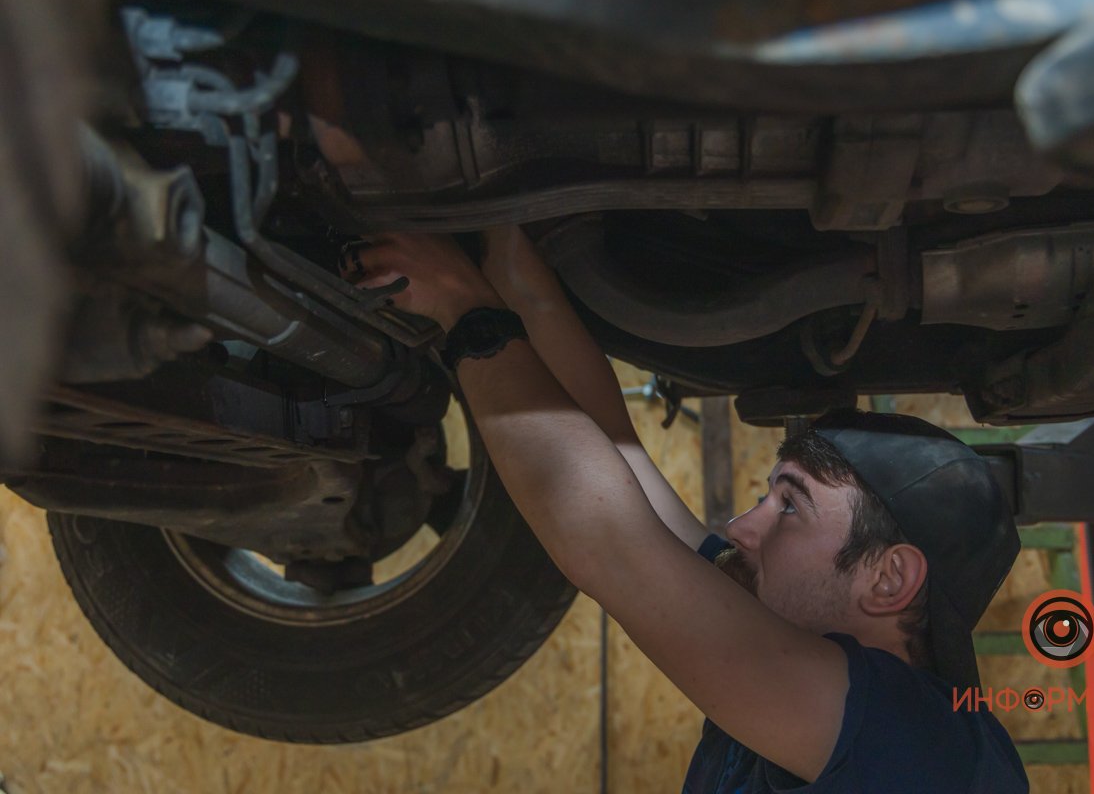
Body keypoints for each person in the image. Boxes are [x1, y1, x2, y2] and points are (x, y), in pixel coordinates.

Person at [346, 227, 1030, 793]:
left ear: (888, 580)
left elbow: (612, 546)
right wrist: (511, 249)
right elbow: (615, 447)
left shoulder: (933, 753)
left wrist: (468, 316)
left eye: (789, 507)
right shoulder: (779, 676)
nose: (740, 527)